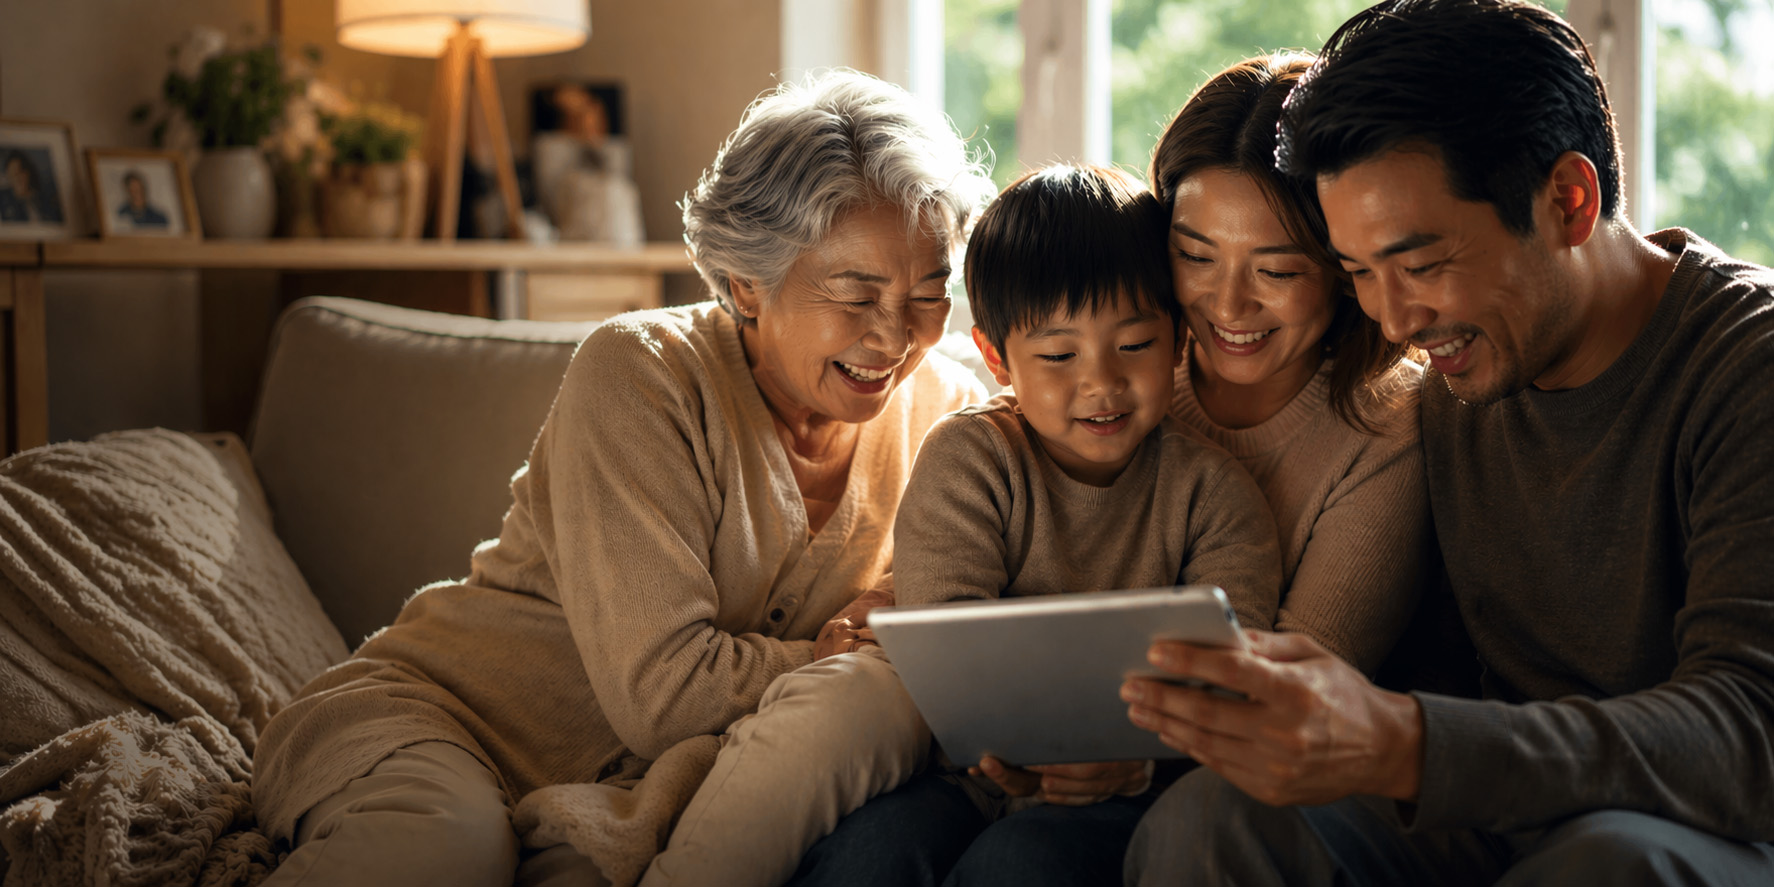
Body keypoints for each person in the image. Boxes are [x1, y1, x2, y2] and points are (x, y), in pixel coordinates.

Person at [250, 70, 996, 887]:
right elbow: (666, 694)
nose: (895, 334)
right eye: (857, 294)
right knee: (448, 851)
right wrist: (824, 657)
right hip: (436, 724)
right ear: (749, 281)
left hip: (618, 805)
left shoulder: (950, 411)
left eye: (931, 292)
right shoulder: (640, 372)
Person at [1122, 2, 1774, 885]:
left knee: (1609, 863)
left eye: (1421, 265)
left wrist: (1409, 743)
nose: (1395, 319)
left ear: (1568, 201)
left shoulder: (1747, 367)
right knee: (1214, 822)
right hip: (1505, 812)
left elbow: (1749, 729)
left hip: (1713, 828)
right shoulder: (1453, 387)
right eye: (1357, 274)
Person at [778, 165, 1284, 887]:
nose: (1101, 382)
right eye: (1057, 356)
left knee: (1019, 866)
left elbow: (1237, 666)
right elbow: (946, 637)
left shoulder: (1217, 496)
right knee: (867, 857)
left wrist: (1139, 761)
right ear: (996, 358)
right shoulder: (971, 457)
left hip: (1129, 783)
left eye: (1135, 345)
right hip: (965, 771)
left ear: (1179, 340)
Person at [0, 151, 61, 224]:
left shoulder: (46, 201)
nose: (17, 179)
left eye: (20, 172)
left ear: (28, 173)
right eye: (13, 175)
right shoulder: (6, 206)